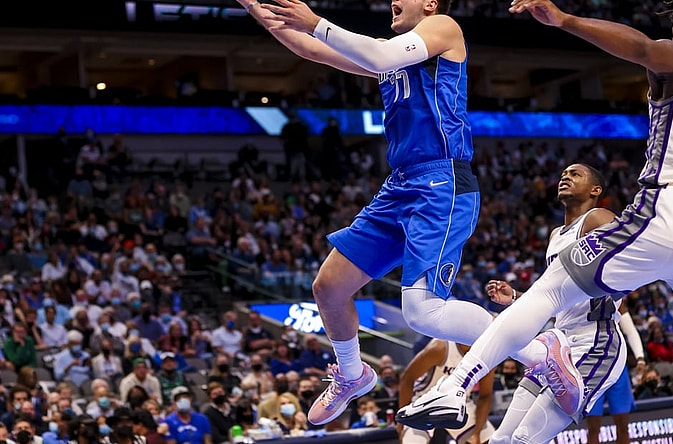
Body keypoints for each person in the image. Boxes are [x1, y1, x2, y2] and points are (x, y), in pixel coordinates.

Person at [397, 0, 673, 437]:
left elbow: (638, 46)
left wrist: (565, 20)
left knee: (546, 291)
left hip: (671, 208)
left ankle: (455, 386)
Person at [242, 0, 496, 426]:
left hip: (441, 181)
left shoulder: (445, 27)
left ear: (430, 3)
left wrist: (318, 21)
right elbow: (310, 49)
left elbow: (370, 51)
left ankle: (535, 345)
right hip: (400, 185)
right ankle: (352, 373)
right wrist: (257, 8)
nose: (392, 0)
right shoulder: (393, 58)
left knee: (422, 312)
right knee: (328, 287)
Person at [483, 164, 626, 443]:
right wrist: (515, 297)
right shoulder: (556, 235)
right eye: (563, 174)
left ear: (595, 190)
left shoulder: (598, 218)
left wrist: (619, 289)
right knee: (502, 439)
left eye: (575, 174)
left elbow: (633, 257)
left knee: (525, 439)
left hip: (596, 342)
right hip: (559, 344)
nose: (566, 177)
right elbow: (554, 297)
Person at [398, 339, 495, 444]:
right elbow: (407, 378)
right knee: (413, 441)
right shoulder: (440, 347)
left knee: (489, 440)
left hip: (461, 402)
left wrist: (477, 433)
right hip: (426, 400)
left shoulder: (487, 355)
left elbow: (485, 395)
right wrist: (401, 420)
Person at [586, 298, 644, 444]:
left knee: (623, 425)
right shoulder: (582, 299)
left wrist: (640, 357)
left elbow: (630, 330)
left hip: (617, 366)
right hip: (592, 368)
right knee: (593, 428)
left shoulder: (615, 299)